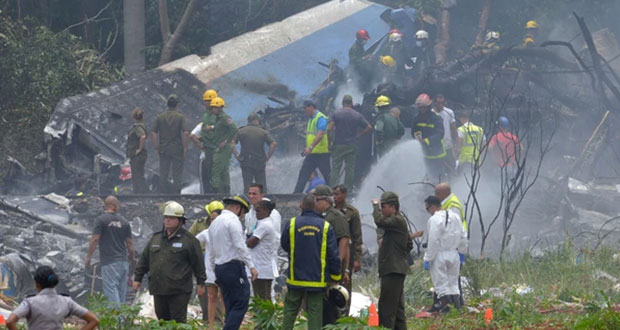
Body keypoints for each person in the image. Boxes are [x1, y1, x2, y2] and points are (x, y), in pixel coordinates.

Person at [133, 201, 206, 323]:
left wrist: (200, 283)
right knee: (162, 320)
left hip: (179, 290)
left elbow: (198, 264)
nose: (167, 220)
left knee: (177, 321)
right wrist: (137, 278)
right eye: (166, 217)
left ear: (180, 220)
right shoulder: (155, 238)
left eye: (171, 218)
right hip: (159, 288)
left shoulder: (189, 241)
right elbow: (144, 260)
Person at [281, 194, 341, 330]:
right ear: (315, 207)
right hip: (317, 279)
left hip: (295, 277)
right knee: (315, 313)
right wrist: (335, 276)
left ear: (302, 206)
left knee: (290, 310)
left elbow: (285, 244)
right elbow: (333, 254)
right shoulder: (325, 226)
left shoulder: (292, 223)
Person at [208, 194, 258, 330]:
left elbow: (211, 250)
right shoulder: (233, 221)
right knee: (242, 300)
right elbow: (240, 246)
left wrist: (213, 270)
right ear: (237, 208)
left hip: (220, 268)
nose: (242, 216)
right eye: (243, 212)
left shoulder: (215, 223)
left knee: (230, 302)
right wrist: (251, 266)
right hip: (233, 267)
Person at [6, 266, 99, 330]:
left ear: (36, 284)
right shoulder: (67, 301)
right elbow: (94, 320)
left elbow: (10, 321)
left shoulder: (30, 302)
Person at [372, 191, 414, 329]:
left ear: (393, 207)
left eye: (384, 206)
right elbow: (409, 244)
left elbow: (379, 221)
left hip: (392, 270)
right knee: (397, 309)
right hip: (396, 269)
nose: (382, 210)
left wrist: (375, 206)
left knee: (386, 309)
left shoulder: (397, 220)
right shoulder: (398, 222)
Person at [85, 195, 134, 305]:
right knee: (121, 293)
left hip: (110, 262)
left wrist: (88, 258)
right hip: (123, 262)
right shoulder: (125, 222)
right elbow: (130, 244)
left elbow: (95, 239)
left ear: (105, 206)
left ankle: (114, 320)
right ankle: (121, 320)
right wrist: (132, 259)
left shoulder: (101, 220)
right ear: (114, 205)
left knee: (111, 291)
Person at [312, 185, 350, 325]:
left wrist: (338, 264)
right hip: (321, 267)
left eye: (317, 200)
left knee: (330, 306)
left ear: (326, 200)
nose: (315, 203)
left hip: (330, 268)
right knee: (321, 305)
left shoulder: (336, 216)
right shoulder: (321, 216)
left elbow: (344, 240)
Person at [423, 195, 467, 313]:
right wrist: (462, 252)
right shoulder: (455, 216)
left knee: (441, 283)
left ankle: (445, 308)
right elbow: (463, 235)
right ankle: (457, 307)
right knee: (453, 283)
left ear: (432, 206)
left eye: (427, 209)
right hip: (454, 254)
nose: (428, 212)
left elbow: (433, 240)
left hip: (439, 255)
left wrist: (428, 258)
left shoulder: (434, 219)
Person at [190, 200, 225, 325]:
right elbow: (191, 240)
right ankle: (207, 319)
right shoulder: (200, 225)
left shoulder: (226, 227)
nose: (213, 220)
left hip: (218, 260)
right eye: (211, 217)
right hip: (202, 259)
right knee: (203, 291)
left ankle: (217, 321)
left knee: (217, 292)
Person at [328, 95, 372, 190]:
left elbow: (329, 128)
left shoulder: (336, 114)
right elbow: (369, 127)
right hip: (352, 145)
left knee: (336, 168)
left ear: (342, 103)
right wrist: (359, 136)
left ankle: (333, 189)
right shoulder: (357, 115)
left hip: (338, 144)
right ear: (351, 103)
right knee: (350, 169)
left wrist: (330, 142)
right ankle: (348, 190)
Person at [435, 182, 468, 305]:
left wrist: (460, 250)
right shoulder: (447, 202)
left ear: (444, 193)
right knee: (450, 276)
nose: (436, 196)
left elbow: (454, 229)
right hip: (452, 246)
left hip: (455, 246)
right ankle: (453, 303)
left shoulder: (453, 205)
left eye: (437, 193)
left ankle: (456, 303)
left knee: (453, 277)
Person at [332, 184, 363, 315]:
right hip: (332, 252)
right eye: (333, 194)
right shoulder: (330, 210)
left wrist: (357, 259)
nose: (335, 197)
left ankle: (344, 313)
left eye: (337, 194)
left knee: (345, 285)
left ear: (344, 194)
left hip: (347, 255)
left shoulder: (352, 212)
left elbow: (357, 237)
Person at [151, 94, 189, 194]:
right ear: (177, 105)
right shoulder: (180, 117)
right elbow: (185, 133)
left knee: (163, 173)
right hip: (177, 148)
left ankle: (163, 194)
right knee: (177, 174)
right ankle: (176, 195)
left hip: (163, 149)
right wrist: (185, 147)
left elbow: (153, 133)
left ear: (167, 104)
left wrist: (156, 147)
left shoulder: (160, 117)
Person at [232, 112, 277, 193]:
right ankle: (262, 203)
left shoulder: (241, 131)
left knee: (247, 186)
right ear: (255, 120)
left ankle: (247, 203)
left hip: (245, 161)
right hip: (259, 162)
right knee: (261, 186)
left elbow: (232, 143)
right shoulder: (263, 132)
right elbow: (273, 144)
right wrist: (268, 157)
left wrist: (237, 156)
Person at [293, 100, 331, 193]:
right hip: (312, 154)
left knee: (328, 177)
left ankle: (332, 195)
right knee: (303, 176)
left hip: (321, 154)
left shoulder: (320, 118)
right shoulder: (311, 119)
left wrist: (310, 147)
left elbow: (320, 134)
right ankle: (295, 196)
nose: (304, 110)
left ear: (311, 107)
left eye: (305, 108)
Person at [246, 200, 278, 300]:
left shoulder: (265, 225)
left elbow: (250, 243)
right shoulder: (261, 223)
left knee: (261, 300)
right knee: (262, 298)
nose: (256, 214)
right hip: (261, 267)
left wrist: (246, 239)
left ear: (266, 211)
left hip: (262, 269)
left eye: (258, 211)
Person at [412, 93, 447, 183]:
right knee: (426, 176)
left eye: (424, 107)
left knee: (439, 176)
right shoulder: (416, 119)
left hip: (437, 154)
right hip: (424, 153)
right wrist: (417, 137)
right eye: (420, 107)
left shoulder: (436, 119)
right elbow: (414, 132)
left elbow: (440, 134)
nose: (422, 109)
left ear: (428, 107)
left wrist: (426, 141)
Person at [209, 97, 238, 194]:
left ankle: (215, 193)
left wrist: (226, 141)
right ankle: (225, 192)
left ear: (220, 108)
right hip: (221, 148)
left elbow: (234, 128)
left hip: (223, 149)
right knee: (224, 171)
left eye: (214, 107)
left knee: (216, 170)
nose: (212, 109)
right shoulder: (218, 119)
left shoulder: (225, 118)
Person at [194, 89, 219, 193]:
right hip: (218, 157)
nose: (205, 104)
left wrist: (201, 145)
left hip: (206, 157)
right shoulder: (222, 120)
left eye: (207, 101)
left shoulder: (205, 121)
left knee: (206, 184)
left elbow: (192, 135)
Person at [433, 94, 458, 172]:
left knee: (451, 167)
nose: (440, 105)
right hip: (435, 146)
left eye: (442, 103)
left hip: (447, 145)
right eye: (438, 103)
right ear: (434, 103)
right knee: (436, 167)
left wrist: (456, 144)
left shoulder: (449, 112)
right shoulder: (431, 113)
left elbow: (453, 128)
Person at [126, 107, 148, 193]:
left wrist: (139, 149)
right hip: (138, 154)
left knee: (137, 175)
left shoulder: (138, 127)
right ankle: (140, 193)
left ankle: (142, 193)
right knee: (138, 175)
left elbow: (142, 136)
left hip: (137, 155)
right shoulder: (140, 125)